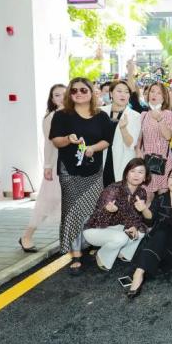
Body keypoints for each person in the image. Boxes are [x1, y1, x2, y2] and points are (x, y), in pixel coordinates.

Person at [50, 77, 113, 274]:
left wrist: (93, 148)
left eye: (83, 90)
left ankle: (90, 243)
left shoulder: (101, 116)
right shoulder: (61, 115)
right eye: (74, 90)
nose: (78, 93)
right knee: (72, 210)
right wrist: (68, 139)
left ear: (91, 92)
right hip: (69, 171)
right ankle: (75, 252)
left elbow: (107, 141)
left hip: (93, 171)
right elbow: (56, 141)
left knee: (92, 210)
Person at [126, 167, 172, 298]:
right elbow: (150, 219)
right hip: (159, 237)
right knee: (160, 233)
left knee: (161, 233)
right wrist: (143, 209)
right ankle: (138, 274)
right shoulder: (161, 198)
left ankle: (140, 271)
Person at [20, 84, 65, 252]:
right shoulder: (51, 117)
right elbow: (48, 144)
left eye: (65, 94)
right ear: (52, 99)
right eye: (57, 95)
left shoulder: (75, 114)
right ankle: (27, 236)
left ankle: (70, 238)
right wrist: (47, 166)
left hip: (74, 165)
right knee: (48, 201)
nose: (62, 97)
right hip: (57, 165)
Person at [84, 159, 152, 271]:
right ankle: (101, 256)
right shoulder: (114, 189)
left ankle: (122, 253)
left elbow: (136, 217)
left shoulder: (141, 192)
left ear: (145, 177)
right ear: (126, 174)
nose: (136, 175)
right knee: (122, 237)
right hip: (96, 228)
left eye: (140, 172)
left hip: (117, 227)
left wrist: (133, 226)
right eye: (132, 171)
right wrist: (108, 211)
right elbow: (98, 218)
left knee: (141, 230)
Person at [137, 82, 172, 195]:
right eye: (152, 91)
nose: (154, 94)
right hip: (147, 160)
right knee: (146, 196)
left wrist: (159, 119)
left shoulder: (169, 114)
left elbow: (168, 136)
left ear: (164, 98)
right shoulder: (144, 114)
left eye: (159, 93)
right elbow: (139, 139)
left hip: (164, 160)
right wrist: (138, 150)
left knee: (163, 197)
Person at [101, 81, 141, 187]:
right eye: (119, 91)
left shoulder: (135, 116)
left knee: (119, 192)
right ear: (111, 93)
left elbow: (130, 143)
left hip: (122, 160)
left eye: (126, 92)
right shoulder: (101, 112)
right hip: (101, 159)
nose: (123, 95)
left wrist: (123, 128)